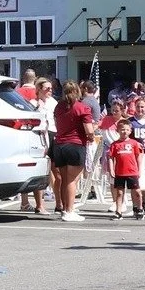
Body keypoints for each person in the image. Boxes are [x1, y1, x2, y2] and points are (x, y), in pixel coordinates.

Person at [50, 80, 95, 221]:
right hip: (75, 145)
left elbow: (57, 125)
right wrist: (92, 136)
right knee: (72, 180)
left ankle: (64, 209)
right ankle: (70, 211)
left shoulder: (58, 107)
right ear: (78, 91)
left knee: (64, 179)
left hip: (59, 145)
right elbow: (89, 130)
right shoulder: (82, 107)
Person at [108, 118, 145, 220]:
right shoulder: (114, 145)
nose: (124, 132)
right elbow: (110, 158)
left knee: (137, 191)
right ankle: (118, 211)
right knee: (120, 193)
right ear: (118, 130)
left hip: (132, 171)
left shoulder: (134, 143)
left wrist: (139, 169)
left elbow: (138, 156)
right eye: (122, 129)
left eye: (127, 129)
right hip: (119, 172)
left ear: (130, 131)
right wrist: (111, 169)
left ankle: (140, 208)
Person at [31, 77, 58, 211]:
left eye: (51, 88)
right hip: (40, 136)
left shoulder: (53, 102)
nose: (50, 91)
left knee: (55, 171)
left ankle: (60, 204)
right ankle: (39, 205)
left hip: (53, 134)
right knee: (41, 170)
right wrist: (37, 107)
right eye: (47, 88)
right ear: (39, 90)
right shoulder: (32, 102)